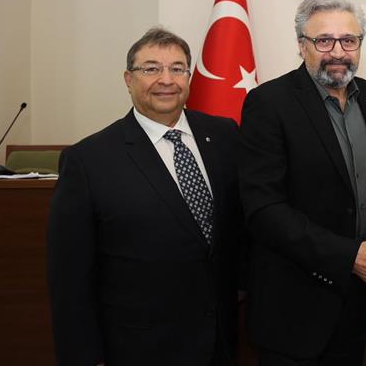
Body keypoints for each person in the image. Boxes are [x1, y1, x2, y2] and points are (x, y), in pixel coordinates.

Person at [239, 0, 366, 365]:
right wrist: (349, 256)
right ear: (301, 45)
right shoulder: (269, 103)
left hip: (355, 298)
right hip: (294, 306)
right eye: (323, 40)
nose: (338, 52)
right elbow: (264, 210)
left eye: (349, 40)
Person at [47, 27, 242, 366]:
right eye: (151, 68)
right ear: (128, 79)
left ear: (189, 77)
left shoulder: (224, 135)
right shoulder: (88, 160)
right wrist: (84, 356)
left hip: (221, 341)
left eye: (177, 68)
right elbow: (70, 275)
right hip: (139, 346)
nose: (166, 79)